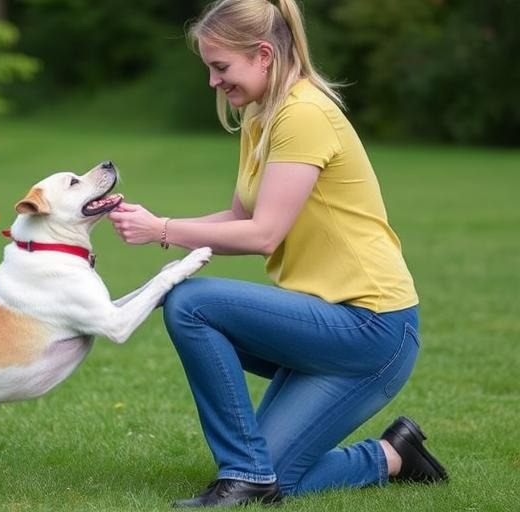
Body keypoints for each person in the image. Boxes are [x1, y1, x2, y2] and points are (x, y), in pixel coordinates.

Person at [107, 0, 448, 507]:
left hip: (372, 328)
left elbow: (263, 234)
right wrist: (157, 224)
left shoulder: (304, 114)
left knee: (190, 302)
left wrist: (163, 230)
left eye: (220, 66)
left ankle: (242, 471)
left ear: (263, 54)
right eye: (209, 68)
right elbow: (241, 218)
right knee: (276, 481)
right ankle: (391, 457)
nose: (213, 81)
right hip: (325, 324)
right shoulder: (259, 116)